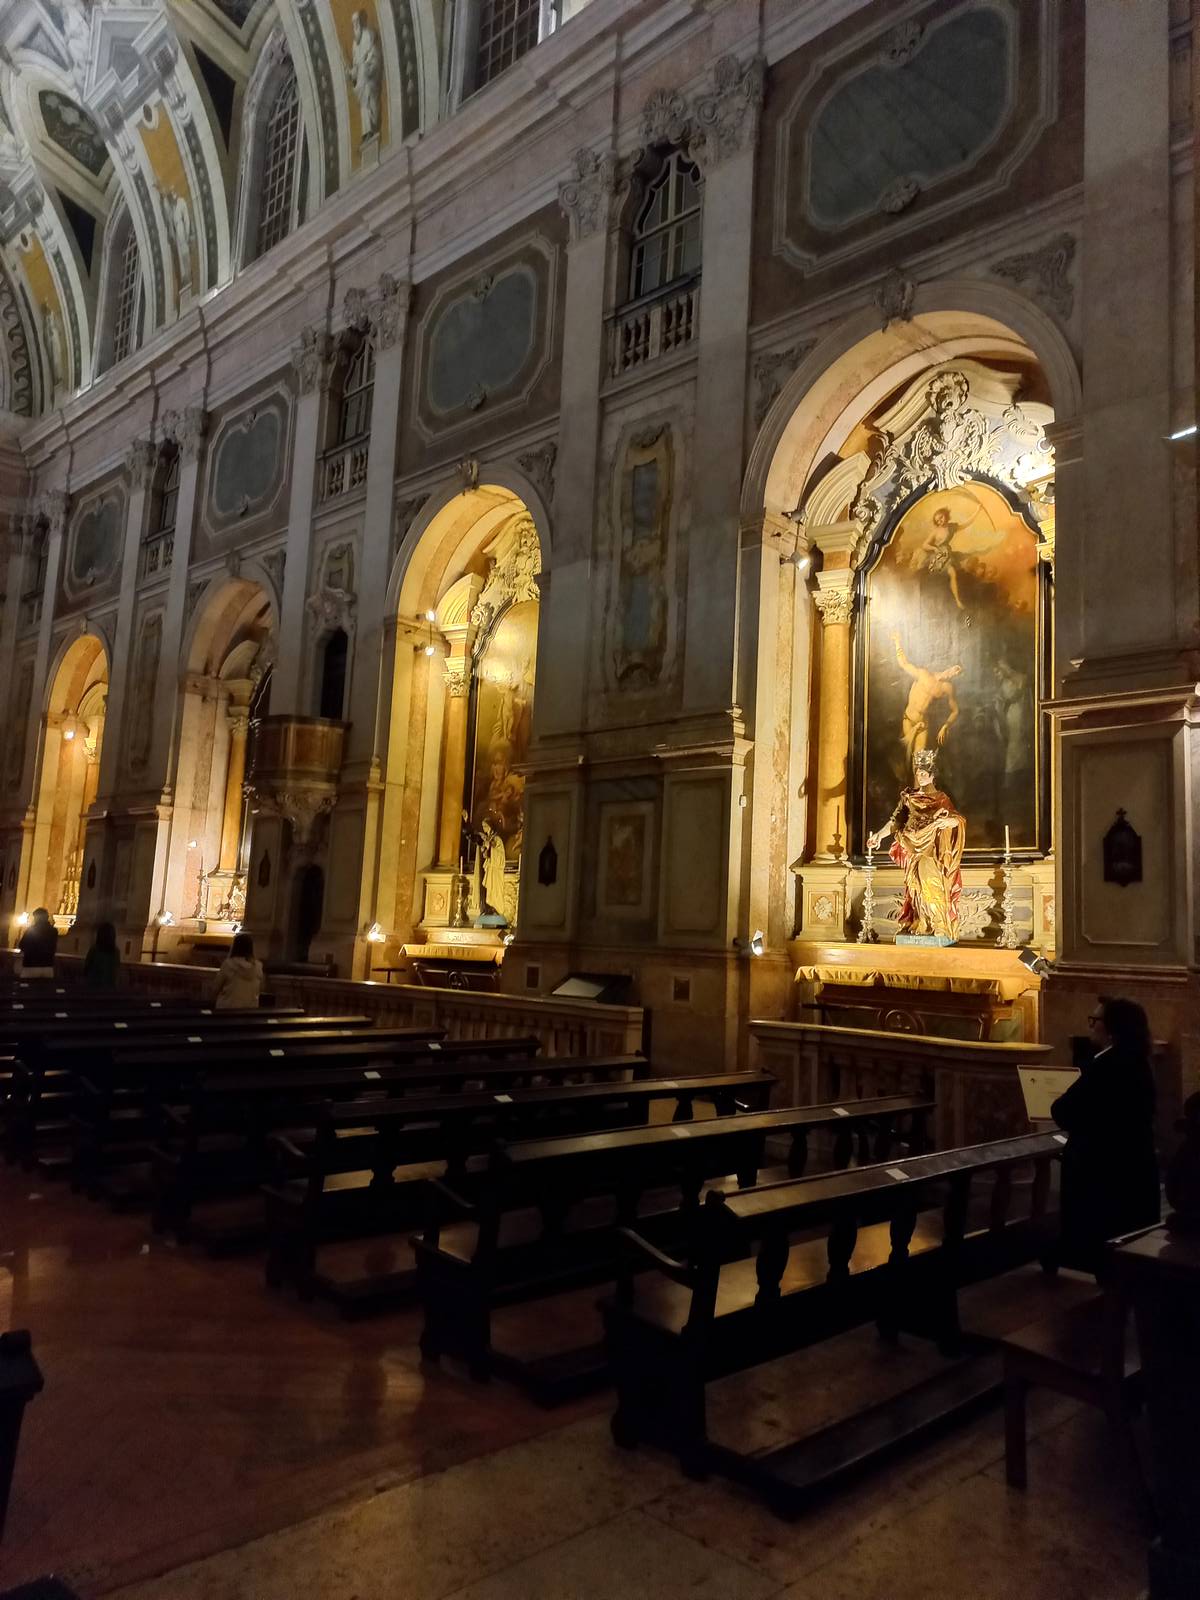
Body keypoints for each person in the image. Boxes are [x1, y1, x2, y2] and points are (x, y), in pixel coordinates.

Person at [1051, 997, 1161, 1274]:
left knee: (1102, 1240)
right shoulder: (1139, 1062)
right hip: (1132, 1164)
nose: (1090, 1027)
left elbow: (1064, 1110)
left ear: (1112, 1029)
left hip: (1101, 1170)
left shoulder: (1106, 1065)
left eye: (1095, 1021)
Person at [868, 749, 965, 941]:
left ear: (932, 775)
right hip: (911, 846)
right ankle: (920, 924)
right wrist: (879, 836)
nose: (920, 777)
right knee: (914, 888)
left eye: (923, 773)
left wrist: (949, 822)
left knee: (930, 883)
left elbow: (957, 819)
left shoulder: (941, 798)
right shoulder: (908, 797)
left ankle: (939, 925)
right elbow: (896, 822)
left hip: (930, 849)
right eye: (918, 773)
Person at [212, 931, 264, 1010]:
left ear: (235, 947)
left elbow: (215, 988)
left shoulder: (228, 964)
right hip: (250, 1010)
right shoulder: (258, 966)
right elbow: (260, 989)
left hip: (227, 1009)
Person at [18, 907, 58, 978]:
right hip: (48, 966)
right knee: (45, 988)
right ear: (47, 917)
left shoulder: (31, 930)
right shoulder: (54, 931)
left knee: (26, 987)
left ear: (36, 917)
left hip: (31, 966)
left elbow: (22, 945)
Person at [83, 921, 120, 989]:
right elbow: (116, 970)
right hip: (109, 986)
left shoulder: (94, 950)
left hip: (93, 985)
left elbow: (87, 967)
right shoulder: (116, 952)